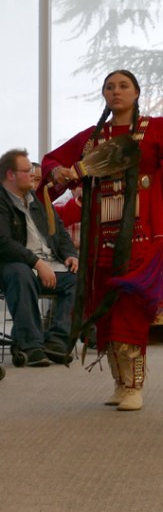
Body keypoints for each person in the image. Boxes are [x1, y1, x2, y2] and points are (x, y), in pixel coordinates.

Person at [40, 69, 163, 411]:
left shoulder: (155, 130)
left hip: (140, 233)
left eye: (123, 86)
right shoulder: (92, 139)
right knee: (106, 305)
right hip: (100, 233)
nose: (116, 92)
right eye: (110, 87)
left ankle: (134, 385)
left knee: (130, 305)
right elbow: (54, 159)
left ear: (137, 93)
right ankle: (118, 381)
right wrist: (59, 172)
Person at [0, 148, 78, 367]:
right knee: (20, 272)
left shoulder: (37, 199)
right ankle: (30, 345)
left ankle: (56, 342)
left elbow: (60, 233)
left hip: (47, 264)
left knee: (77, 278)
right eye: (27, 171)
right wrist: (37, 263)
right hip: (14, 266)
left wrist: (71, 256)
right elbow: (3, 242)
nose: (34, 175)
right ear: (10, 175)